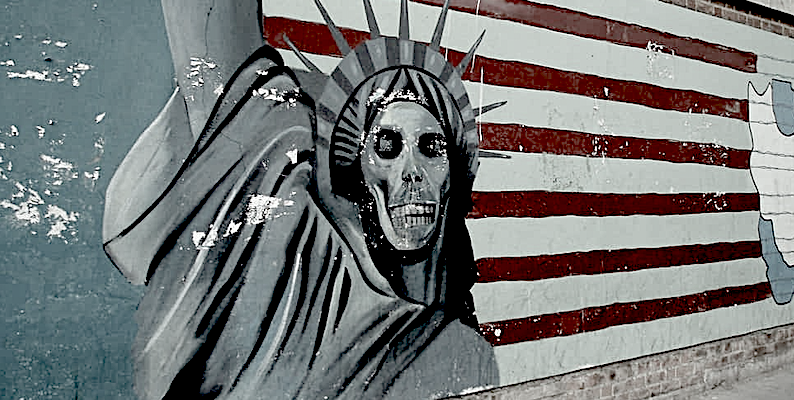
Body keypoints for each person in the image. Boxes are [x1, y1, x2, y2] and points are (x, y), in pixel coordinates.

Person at [102, 0, 500, 398]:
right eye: (387, 145)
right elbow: (226, 73)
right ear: (358, 172)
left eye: (432, 147)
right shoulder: (309, 274)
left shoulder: (460, 348)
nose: (412, 172)